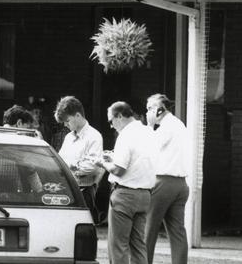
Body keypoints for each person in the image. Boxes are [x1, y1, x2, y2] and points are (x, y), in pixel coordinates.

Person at [96, 101, 155, 264]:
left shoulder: (125, 135)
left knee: (118, 245)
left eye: (110, 121)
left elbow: (119, 170)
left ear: (119, 116)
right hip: (145, 194)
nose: (111, 126)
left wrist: (102, 163)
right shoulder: (147, 131)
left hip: (124, 194)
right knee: (138, 245)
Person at [144, 94, 189, 264]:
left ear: (159, 109)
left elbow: (151, 147)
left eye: (150, 108)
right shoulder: (179, 124)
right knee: (177, 231)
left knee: (149, 228)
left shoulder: (166, 127)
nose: (147, 112)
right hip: (180, 183)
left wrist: (149, 125)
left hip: (163, 181)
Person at [54, 96, 104, 223]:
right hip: (65, 189)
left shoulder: (94, 136)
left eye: (67, 121)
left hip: (84, 191)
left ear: (77, 115)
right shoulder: (68, 137)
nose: (65, 125)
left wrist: (69, 166)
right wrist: (76, 165)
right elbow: (59, 162)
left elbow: (91, 167)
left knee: (82, 228)